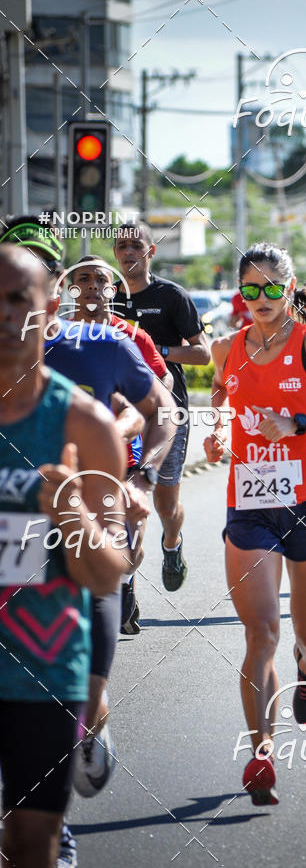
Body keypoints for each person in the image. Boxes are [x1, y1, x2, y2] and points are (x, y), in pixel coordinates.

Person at [204, 242, 306, 806]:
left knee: (305, 634)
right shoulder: (227, 347)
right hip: (249, 504)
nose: (262, 299)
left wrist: (298, 423)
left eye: (272, 287)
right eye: (250, 289)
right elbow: (221, 401)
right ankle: (262, 752)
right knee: (260, 635)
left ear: (290, 286)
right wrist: (220, 433)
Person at [0, 245, 129, 868]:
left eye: (18, 300)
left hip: (42, 669)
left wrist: (69, 512)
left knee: (30, 845)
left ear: (50, 312)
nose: (4, 316)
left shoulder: (86, 425)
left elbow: (107, 572)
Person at [42, 268, 176, 844]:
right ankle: (50, 830)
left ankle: (90, 726)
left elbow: (160, 408)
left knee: (86, 688)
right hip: (18, 535)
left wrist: (139, 475)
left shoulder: (112, 342)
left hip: (97, 513)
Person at [66, 255, 175, 635]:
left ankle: (125, 580)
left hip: (126, 454)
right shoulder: (54, 339)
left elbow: (164, 391)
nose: (93, 286)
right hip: (73, 461)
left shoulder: (131, 337)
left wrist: (139, 425)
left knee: (129, 539)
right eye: (84, 279)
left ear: (113, 289)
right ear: (72, 288)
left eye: (101, 280)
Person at [113, 221, 210, 592]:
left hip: (168, 412)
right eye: (122, 246)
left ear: (150, 252)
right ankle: (126, 585)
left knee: (165, 505)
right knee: (122, 498)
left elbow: (203, 353)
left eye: (136, 245)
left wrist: (157, 351)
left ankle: (172, 544)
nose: (128, 252)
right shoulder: (110, 298)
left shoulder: (172, 296)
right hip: (121, 412)